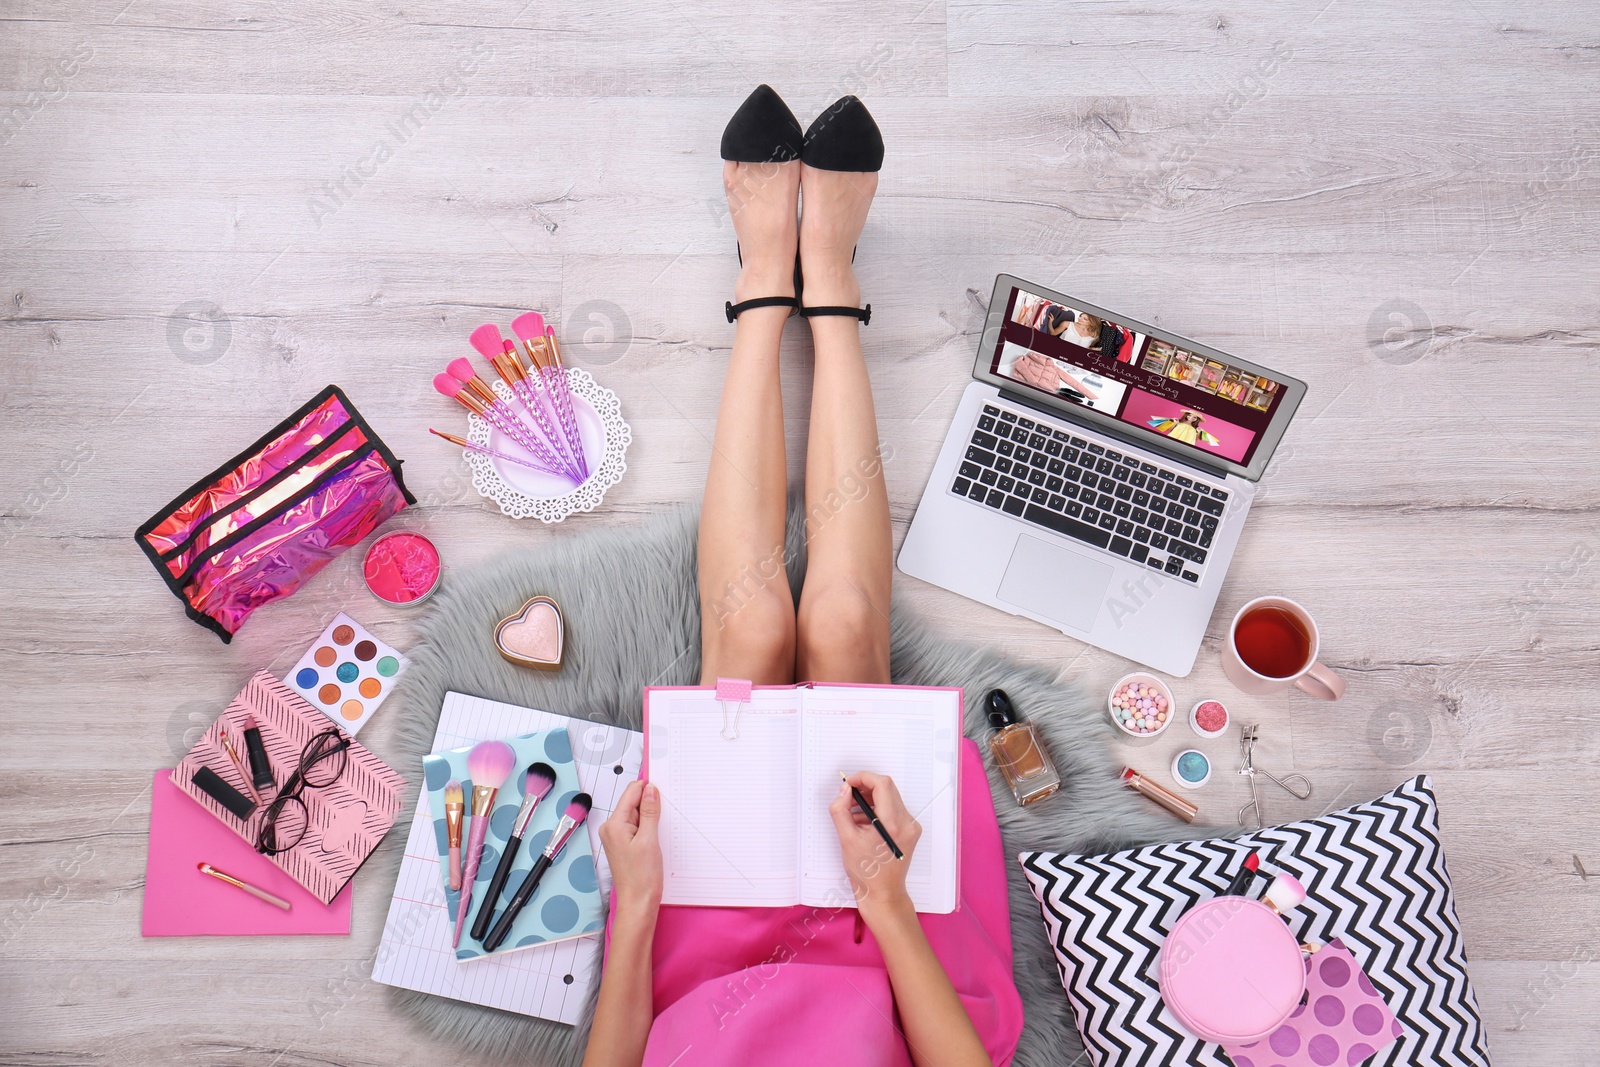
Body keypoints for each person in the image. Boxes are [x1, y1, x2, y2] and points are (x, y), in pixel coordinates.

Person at [581, 86, 1022, 1067]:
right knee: (843, 627)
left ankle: (761, 289)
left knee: (746, 639)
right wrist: (883, 895)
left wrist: (641, 898)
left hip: (702, 972)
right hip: (899, 969)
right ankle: (828, 286)